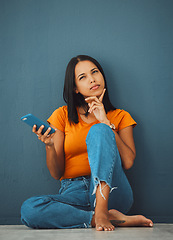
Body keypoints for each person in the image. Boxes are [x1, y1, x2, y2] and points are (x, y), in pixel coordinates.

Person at [21, 55, 153, 231]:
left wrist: (106, 123)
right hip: (73, 193)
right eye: (83, 77)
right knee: (29, 209)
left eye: (95, 72)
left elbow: (128, 161)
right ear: (75, 88)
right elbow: (56, 172)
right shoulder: (62, 116)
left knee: (99, 130)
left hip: (113, 192)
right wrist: (49, 145)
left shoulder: (121, 116)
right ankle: (103, 218)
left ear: (102, 76)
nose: (92, 79)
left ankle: (101, 210)